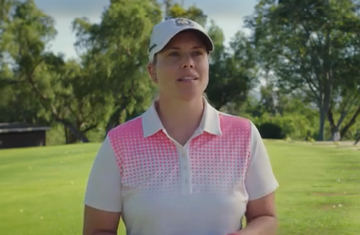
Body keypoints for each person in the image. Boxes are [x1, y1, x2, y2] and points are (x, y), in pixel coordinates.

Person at [83, 17, 279, 235]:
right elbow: (97, 230)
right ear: (152, 71)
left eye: (197, 53)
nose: (188, 62)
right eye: (173, 54)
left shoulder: (244, 134)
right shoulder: (119, 143)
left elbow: (266, 217)